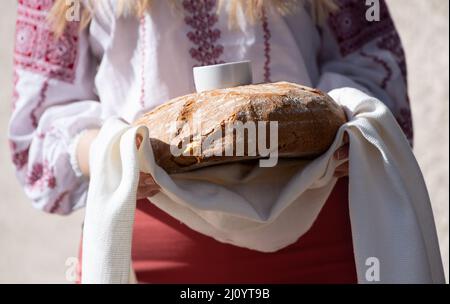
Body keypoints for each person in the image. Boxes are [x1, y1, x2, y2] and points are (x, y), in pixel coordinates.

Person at [9, 0, 412, 283]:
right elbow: (40, 125)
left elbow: (372, 65)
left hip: (316, 236)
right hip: (147, 250)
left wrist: (338, 124)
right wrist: (118, 155)